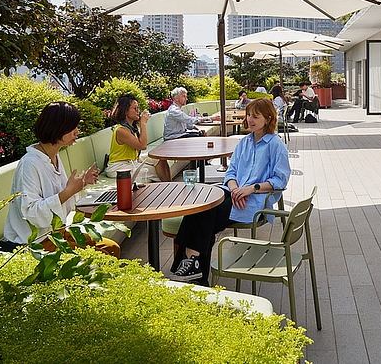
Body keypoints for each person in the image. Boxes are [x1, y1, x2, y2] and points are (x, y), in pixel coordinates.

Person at [170, 98, 290, 283]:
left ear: (268, 118)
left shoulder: (276, 145)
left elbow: (280, 180)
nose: (250, 119)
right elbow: (231, 171)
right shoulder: (244, 143)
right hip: (233, 193)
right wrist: (235, 189)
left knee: (206, 214)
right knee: (201, 207)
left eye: (255, 116)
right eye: (248, 115)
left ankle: (191, 265)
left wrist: (251, 189)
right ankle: (194, 268)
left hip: (255, 201)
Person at [1, 101, 120, 257]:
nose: (77, 132)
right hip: (34, 242)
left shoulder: (54, 155)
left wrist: (82, 182)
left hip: (57, 232)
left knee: (111, 248)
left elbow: (63, 196)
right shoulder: (30, 164)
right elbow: (31, 213)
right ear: (58, 128)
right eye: (73, 127)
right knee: (102, 256)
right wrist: (70, 190)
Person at [105, 93, 151, 182]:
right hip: (119, 167)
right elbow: (142, 146)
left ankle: (171, 185)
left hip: (131, 162)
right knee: (150, 171)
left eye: (138, 108)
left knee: (159, 160)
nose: (138, 111)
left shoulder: (130, 127)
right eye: (135, 108)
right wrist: (143, 123)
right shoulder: (121, 130)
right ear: (125, 111)